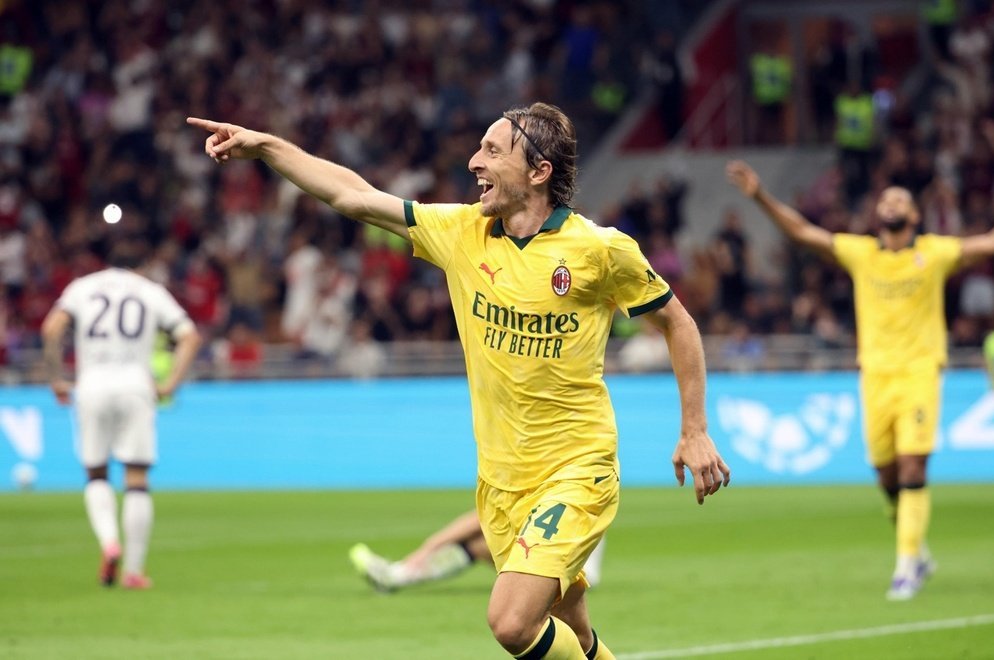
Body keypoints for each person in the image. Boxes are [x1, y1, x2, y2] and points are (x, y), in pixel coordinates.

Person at [189, 102, 729, 660]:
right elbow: (351, 195)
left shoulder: (600, 250)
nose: (475, 161)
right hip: (499, 481)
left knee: (512, 623)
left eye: (493, 151)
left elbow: (678, 323)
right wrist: (268, 147)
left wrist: (694, 430)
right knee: (576, 630)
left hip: (576, 468)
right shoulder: (460, 232)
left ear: (540, 172)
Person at [727, 160, 994, 601]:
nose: (890, 202)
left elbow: (989, 243)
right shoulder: (862, 253)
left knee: (914, 466)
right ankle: (917, 550)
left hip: (919, 372)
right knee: (887, 476)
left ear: (914, 217)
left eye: (900, 199)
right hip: (874, 375)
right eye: (885, 198)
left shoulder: (934, 252)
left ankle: (906, 565)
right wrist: (760, 194)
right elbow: (801, 232)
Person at [41, 236, 201, 589]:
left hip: (91, 385)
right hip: (136, 387)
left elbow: (51, 328)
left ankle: (109, 542)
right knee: (137, 480)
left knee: (96, 473)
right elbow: (190, 336)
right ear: (141, 265)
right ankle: (134, 570)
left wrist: (56, 378)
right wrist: (171, 383)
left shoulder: (83, 287)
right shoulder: (150, 291)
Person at [348, 510, 607, 593]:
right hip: (565, 561)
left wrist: (430, 546)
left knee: (482, 538)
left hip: (575, 571)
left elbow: (482, 519)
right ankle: (398, 575)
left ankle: (398, 575)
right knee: (483, 538)